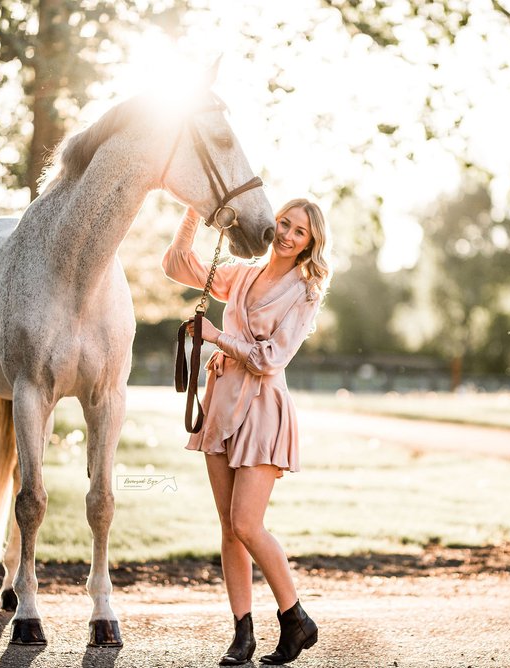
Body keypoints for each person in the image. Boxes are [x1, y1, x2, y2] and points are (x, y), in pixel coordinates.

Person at [161, 199, 331, 665]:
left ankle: (296, 618)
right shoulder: (242, 272)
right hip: (220, 402)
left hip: (261, 410)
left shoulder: (305, 291)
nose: (288, 234)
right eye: (284, 223)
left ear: (311, 243)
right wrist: (197, 211)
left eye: (300, 231)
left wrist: (219, 340)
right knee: (228, 528)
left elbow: (272, 357)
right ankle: (243, 634)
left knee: (246, 523)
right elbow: (177, 264)